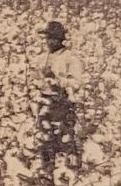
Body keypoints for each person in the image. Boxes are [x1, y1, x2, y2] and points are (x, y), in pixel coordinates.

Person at [32, 20, 84, 173]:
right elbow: (35, 79)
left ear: (61, 39)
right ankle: (47, 169)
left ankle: (65, 171)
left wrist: (58, 81)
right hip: (44, 101)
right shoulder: (42, 58)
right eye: (48, 38)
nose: (50, 41)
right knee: (44, 137)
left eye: (54, 38)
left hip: (62, 103)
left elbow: (76, 83)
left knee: (63, 137)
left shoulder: (71, 58)